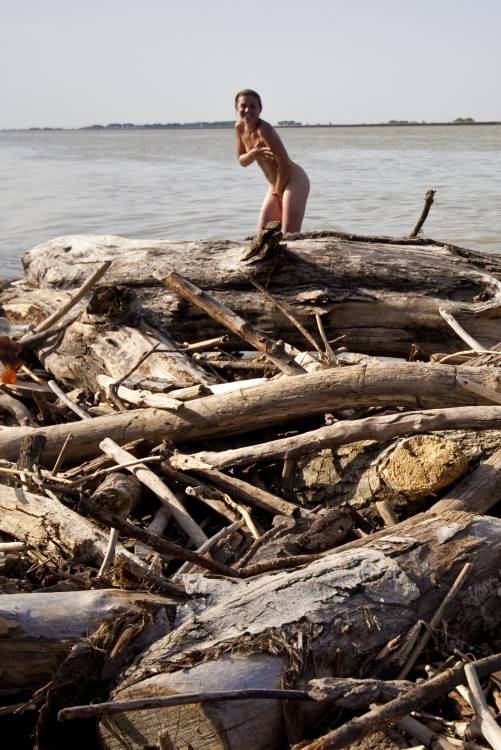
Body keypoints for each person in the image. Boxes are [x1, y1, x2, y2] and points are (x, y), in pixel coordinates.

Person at [234, 89, 310, 233]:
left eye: (253, 106)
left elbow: (285, 164)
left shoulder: (264, 130)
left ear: (260, 109)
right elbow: (242, 161)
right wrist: (254, 153)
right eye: (243, 105)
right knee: (263, 234)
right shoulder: (239, 127)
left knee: (289, 234)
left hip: (293, 180)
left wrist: (279, 191)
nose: (247, 109)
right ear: (236, 108)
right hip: (274, 186)